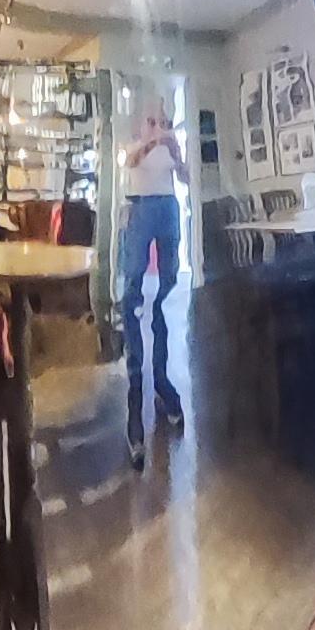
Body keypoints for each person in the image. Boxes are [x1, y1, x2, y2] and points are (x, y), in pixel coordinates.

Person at [116, 91, 189, 470]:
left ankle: (161, 379)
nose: (159, 127)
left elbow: (187, 180)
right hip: (141, 208)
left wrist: (176, 152)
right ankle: (135, 386)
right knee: (132, 292)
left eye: (164, 121)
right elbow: (129, 161)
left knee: (166, 289)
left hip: (167, 208)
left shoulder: (170, 144)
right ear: (140, 123)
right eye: (152, 121)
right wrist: (149, 141)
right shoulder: (133, 144)